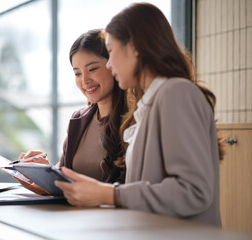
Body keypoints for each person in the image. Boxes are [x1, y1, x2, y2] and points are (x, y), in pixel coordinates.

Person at [55, 3, 224, 227]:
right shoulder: (150, 104)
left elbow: (193, 191)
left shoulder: (176, 93)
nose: (110, 62)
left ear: (133, 46)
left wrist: (109, 194)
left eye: (111, 51)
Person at [16, 29, 128, 195]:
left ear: (113, 65)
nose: (84, 81)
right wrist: (45, 173)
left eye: (92, 69)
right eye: (77, 73)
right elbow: (66, 179)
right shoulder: (79, 119)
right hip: (73, 217)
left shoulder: (132, 120)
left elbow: (126, 190)